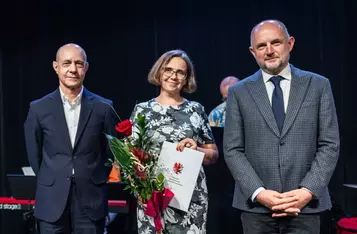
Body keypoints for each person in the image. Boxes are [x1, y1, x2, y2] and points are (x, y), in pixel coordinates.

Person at [223, 20, 340, 234]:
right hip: (256, 208)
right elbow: (232, 149)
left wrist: (307, 191)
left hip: (305, 206)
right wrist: (258, 192)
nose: (269, 51)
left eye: (276, 43)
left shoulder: (318, 85)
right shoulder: (238, 92)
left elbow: (329, 144)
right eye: (261, 46)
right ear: (252, 51)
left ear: (290, 43)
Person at [24, 43, 117, 234]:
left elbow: (111, 153)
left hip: (91, 200)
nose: (72, 69)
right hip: (51, 199)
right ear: (56, 67)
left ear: (86, 68)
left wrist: (94, 176)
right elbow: (34, 155)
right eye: (66, 63)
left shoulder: (104, 107)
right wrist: (53, 176)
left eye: (78, 63)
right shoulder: (38, 108)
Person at [130, 49, 219, 233]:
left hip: (191, 198)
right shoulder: (142, 110)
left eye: (180, 72)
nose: (173, 76)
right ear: (159, 72)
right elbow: (129, 157)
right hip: (153, 196)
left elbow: (214, 155)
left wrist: (197, 151)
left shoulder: (196, 110)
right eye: (168, 70)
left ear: (187, 78)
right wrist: (139, 184)